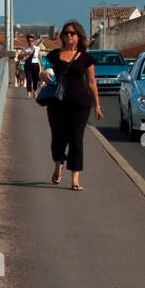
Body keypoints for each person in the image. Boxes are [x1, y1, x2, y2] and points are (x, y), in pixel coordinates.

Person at [43, 21, 103, 189]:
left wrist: (97, 105)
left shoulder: (85, 58)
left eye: (72, 33)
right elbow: (44, 70)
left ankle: (75, 179)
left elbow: (91, 82)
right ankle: (58, 165)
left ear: (79, 37)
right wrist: (42, 75)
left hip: (80, 104)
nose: (69, 36)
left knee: (76, 140)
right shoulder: (54, 55)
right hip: (57, 104)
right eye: (66, 33)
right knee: (58, 138)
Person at [23, 34, 42, 98]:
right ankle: (29, 93)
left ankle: (35, 91)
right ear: (27, 41)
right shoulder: (25, 48)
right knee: (29, 79)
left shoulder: (37, 48)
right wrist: (26, 53)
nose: (30, 42)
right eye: (29, 41)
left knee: (35, 79)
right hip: (28, 65)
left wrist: (41, 66)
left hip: (35, 65)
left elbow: (40, 58)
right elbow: (19, 57)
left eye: (32, 41)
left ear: (33, 41)